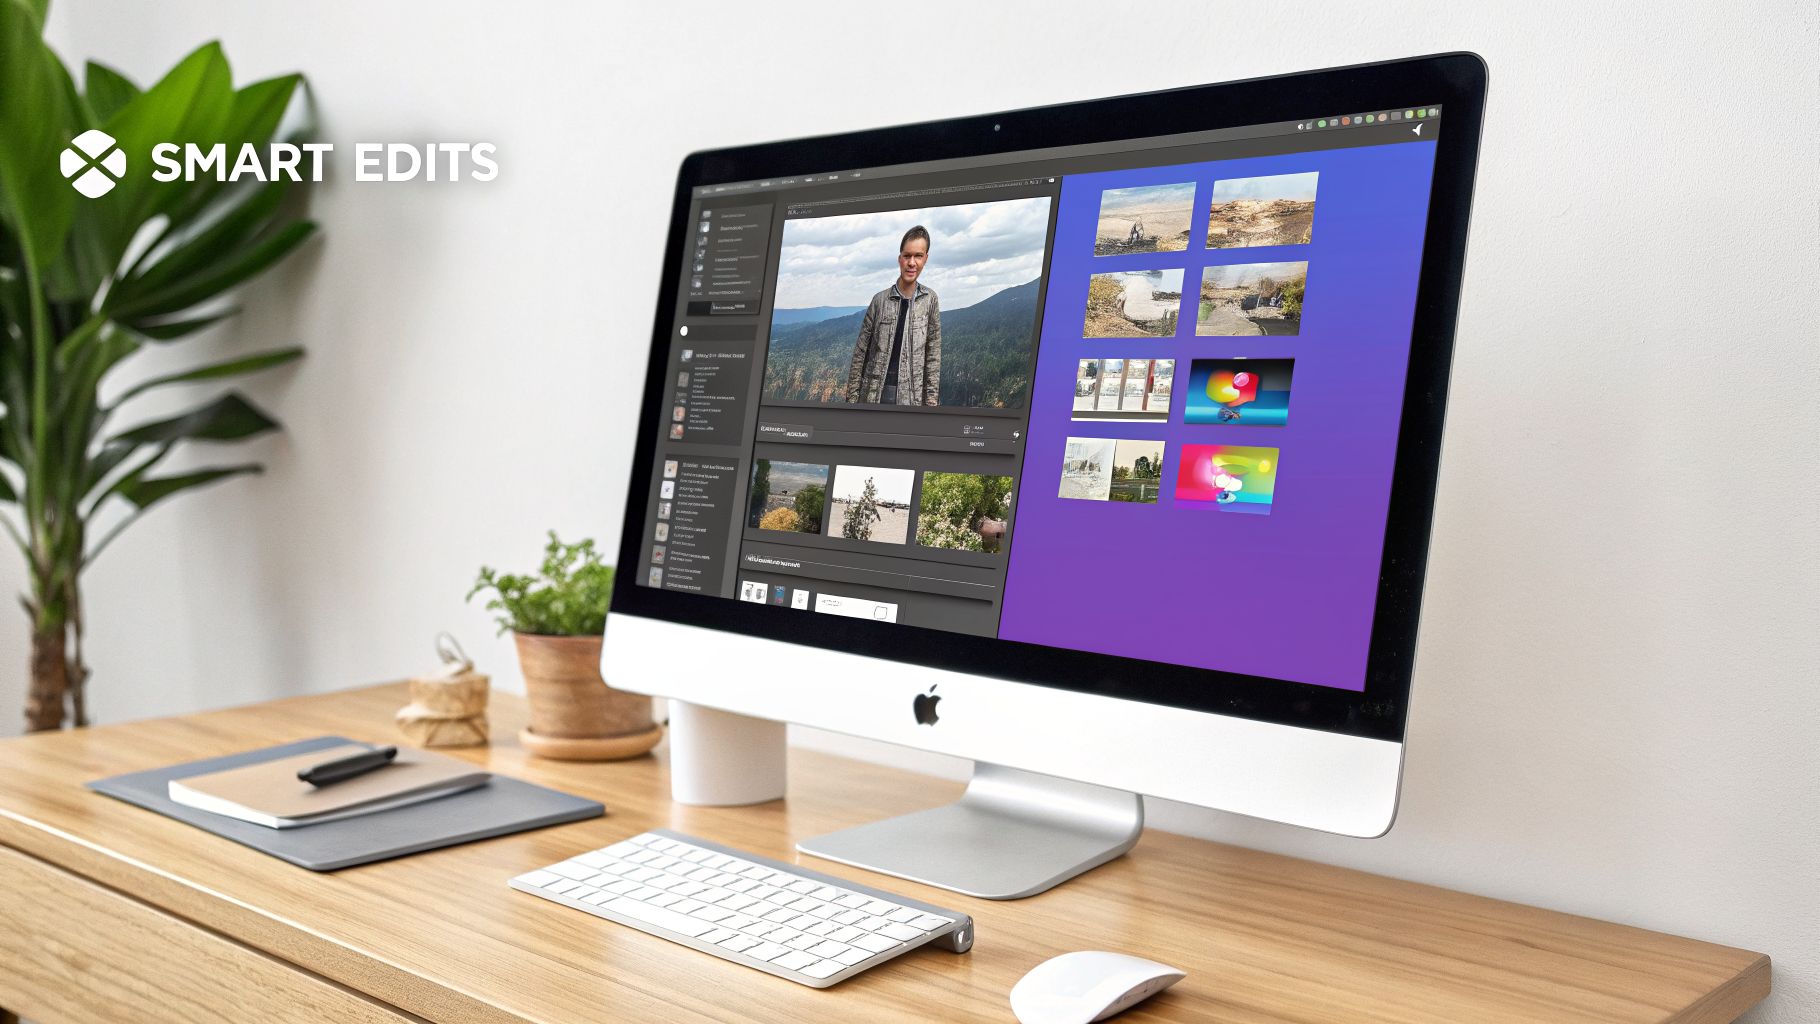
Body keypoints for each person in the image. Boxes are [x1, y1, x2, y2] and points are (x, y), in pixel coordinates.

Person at [846, 225, 942, 405]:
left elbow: (933, 358)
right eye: (907, 256)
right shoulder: (879, 301)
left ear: (926, 259)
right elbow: (860, 355)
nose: (912, 262)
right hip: (873, 399)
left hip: (911, 403)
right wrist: (852, 403)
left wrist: (931, 405)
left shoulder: (930, 300)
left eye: (918, 256)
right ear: (900, 259)